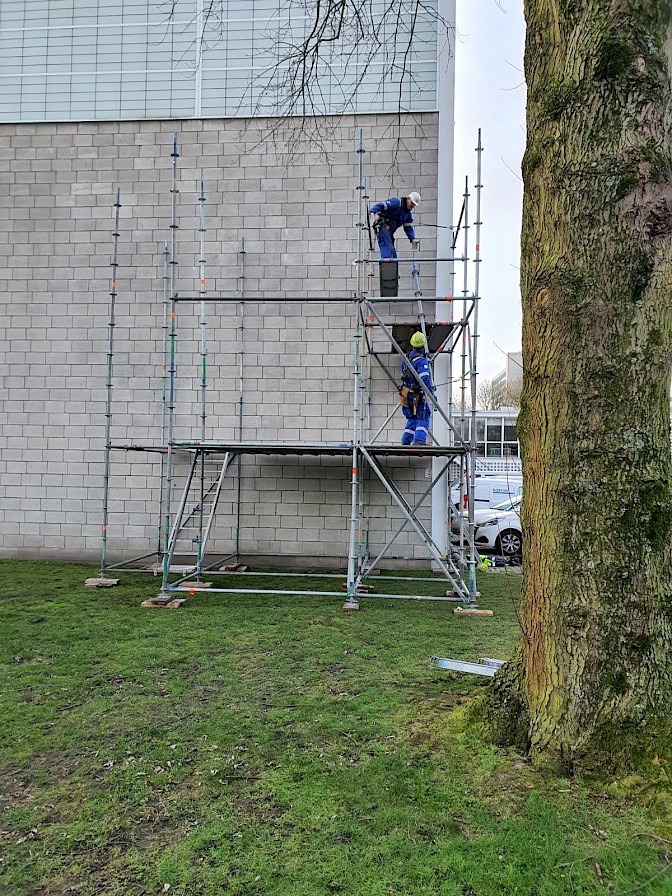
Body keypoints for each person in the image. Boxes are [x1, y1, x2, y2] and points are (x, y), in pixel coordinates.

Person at [399, 331, 434, 446]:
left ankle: (406, 441)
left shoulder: (406, 360)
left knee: (412, 418)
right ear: (424, 346)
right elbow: (424, 379)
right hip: (416, 394)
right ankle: (419, 440)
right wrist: (432, 394)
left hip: (405, 393)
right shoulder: (421, 361)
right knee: (424, 415)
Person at [369, 192, 421, 259]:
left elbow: (408, 227)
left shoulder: (407, 214)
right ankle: (386, 268)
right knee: (387, 250)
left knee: (393, 255)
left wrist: (412, 239)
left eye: (414, 205)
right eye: (412, 203)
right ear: (408, 199)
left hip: (389, 231)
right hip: (383, 226)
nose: (412, 206)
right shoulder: (396, 202)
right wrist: (372, 211)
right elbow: (382, 205)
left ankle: (390, 268)